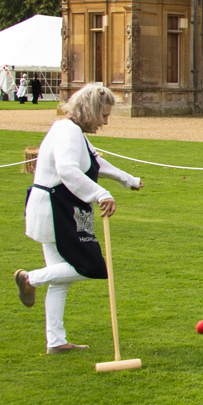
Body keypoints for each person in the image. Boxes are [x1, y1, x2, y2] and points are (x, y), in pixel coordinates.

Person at [14, 83, 143, 354]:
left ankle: (56, 341)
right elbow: (68, 170)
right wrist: (100, 194)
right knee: (91, 267)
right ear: (90, 111)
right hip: (54, 209)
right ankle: (30, 279)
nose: (106, 122)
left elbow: (95, 163)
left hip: (56, 208)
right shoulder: (68, 132)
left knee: (62, 279)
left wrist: (128, 180)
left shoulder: (73, 132)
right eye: (104, 115)